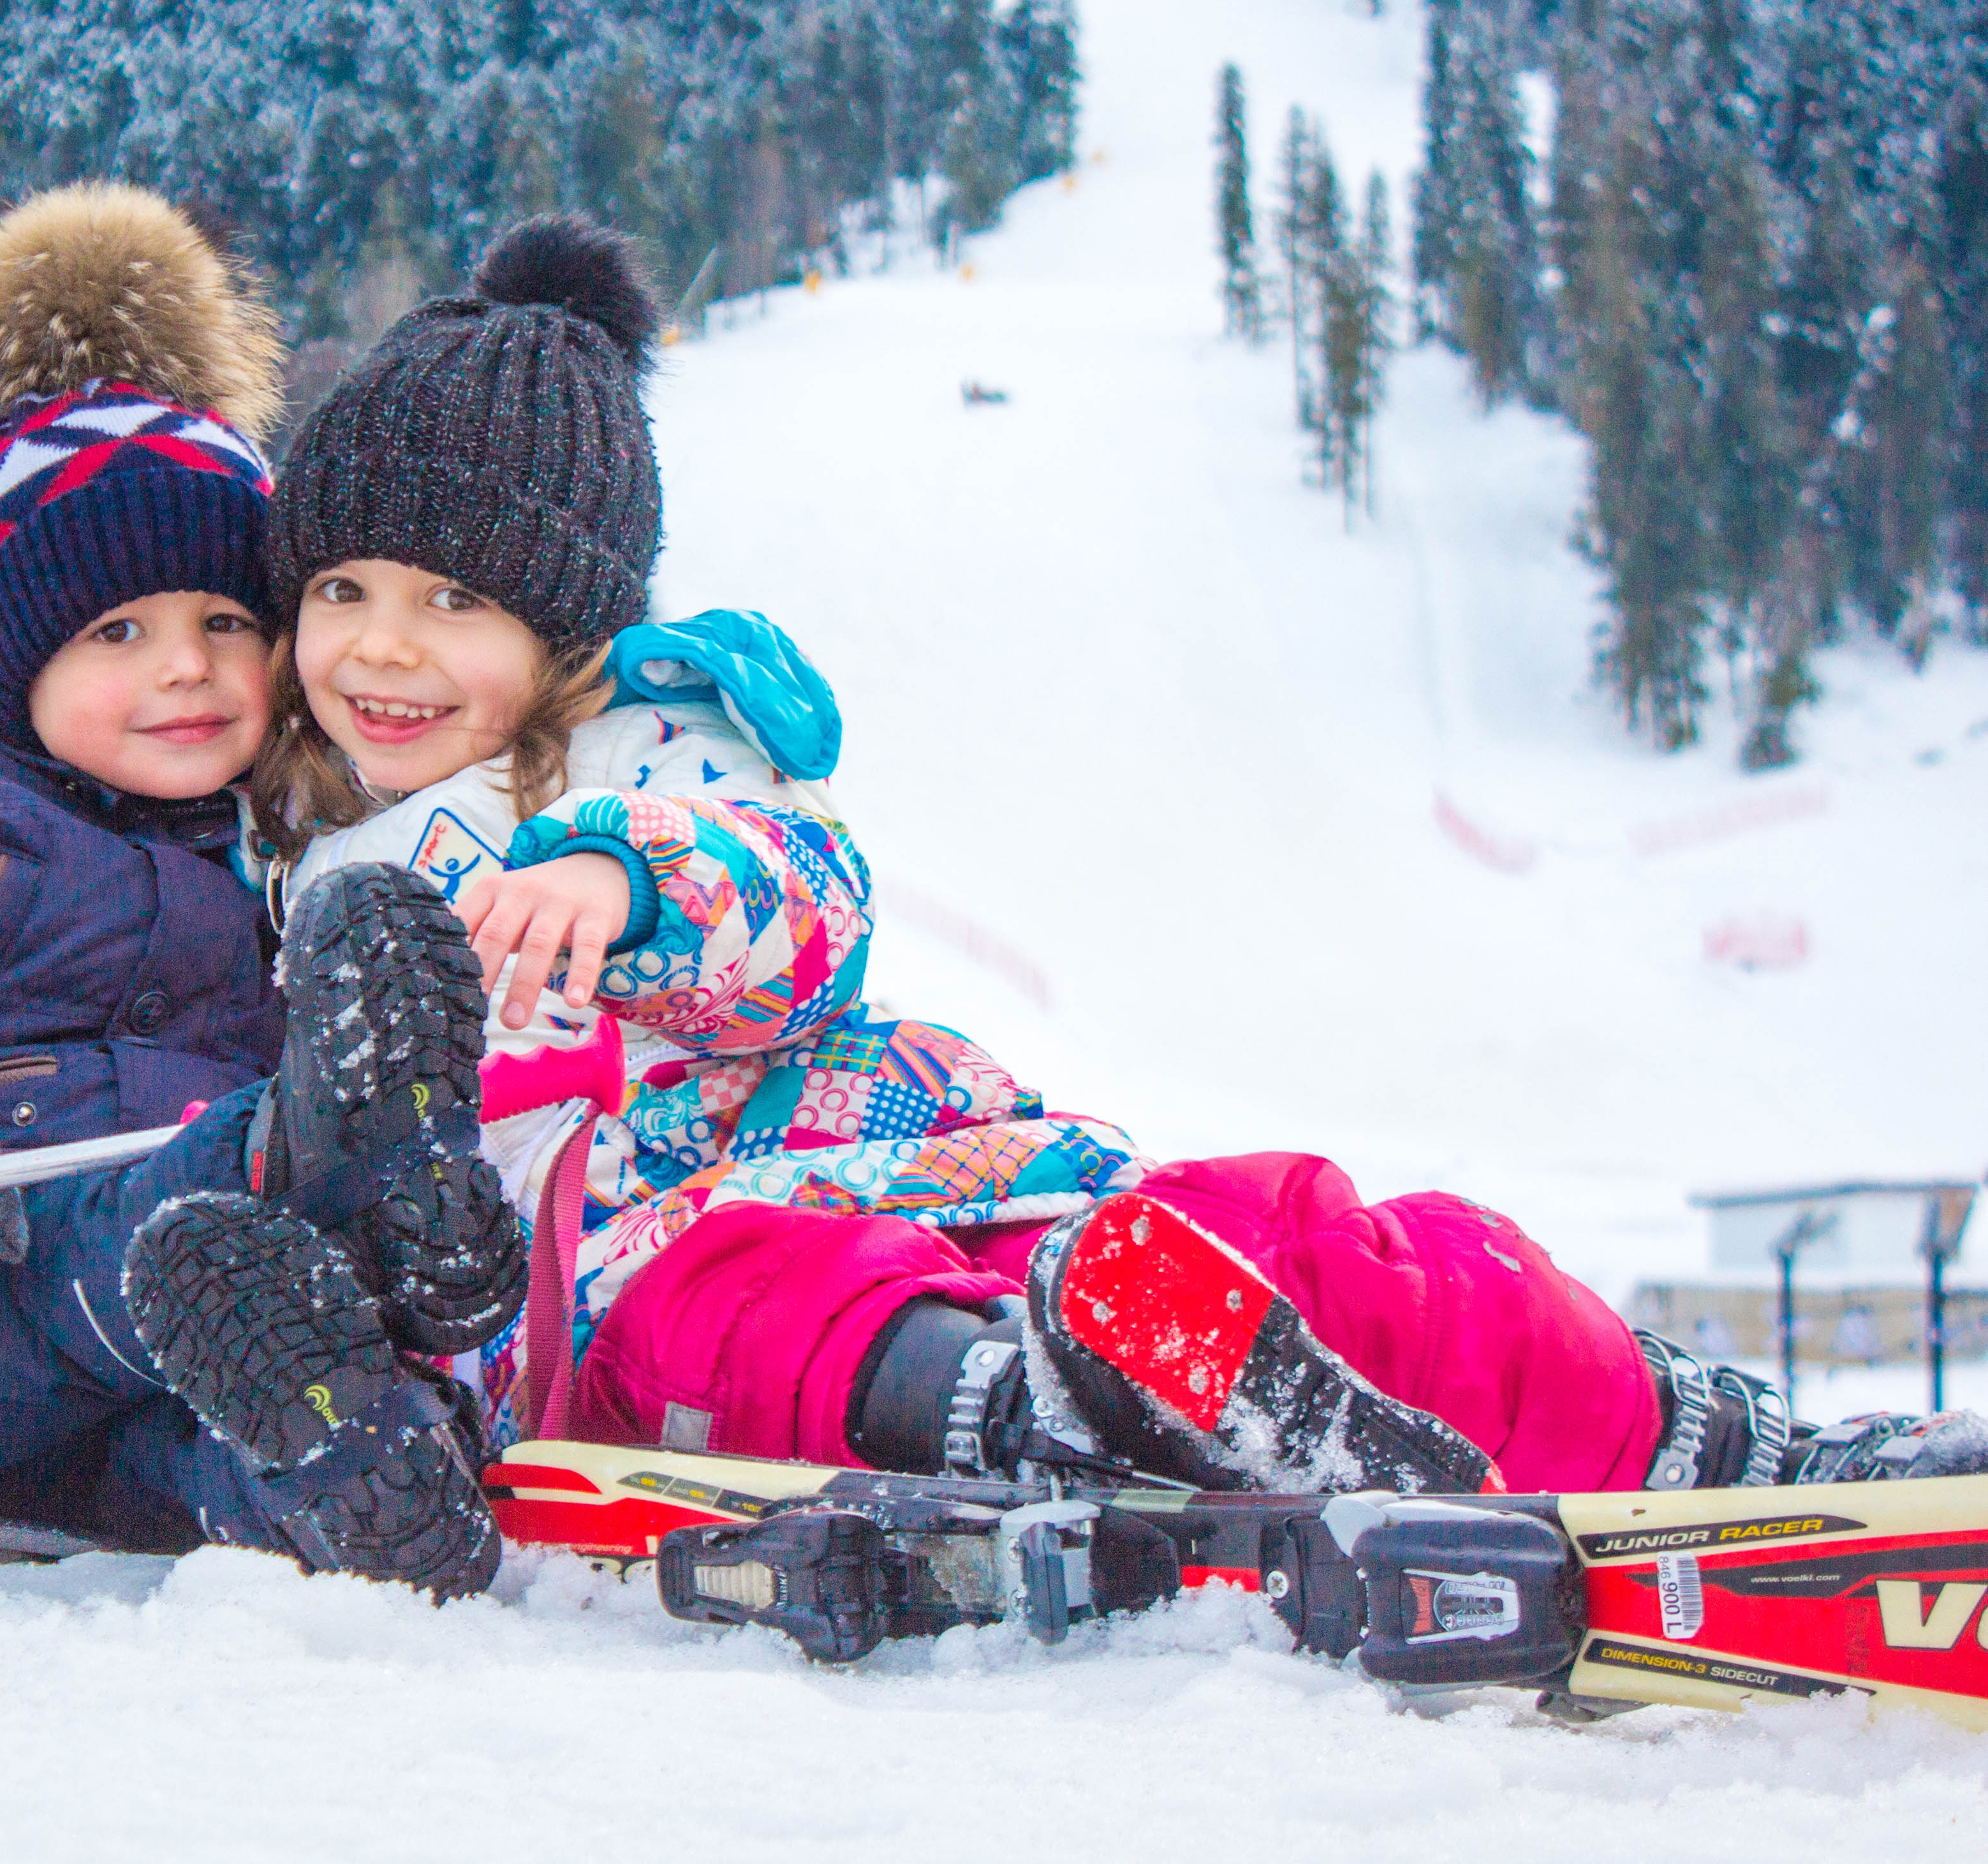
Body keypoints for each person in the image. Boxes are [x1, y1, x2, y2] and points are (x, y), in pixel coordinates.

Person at [143, 211, 1986, 1523]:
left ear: (565, 631)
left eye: (454, 601)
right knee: (751, 1302)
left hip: (947, 1163)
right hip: (663, 1279)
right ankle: (1056, 1416)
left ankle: (1711, 1454)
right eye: (340, 591)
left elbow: (805, 904)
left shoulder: (655, 768)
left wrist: (630, 887)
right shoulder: (302, 872)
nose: (380, 650)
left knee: (1294, 1224)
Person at [0, 182, 509, 1590]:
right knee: (207, 1212)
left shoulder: (289, 843)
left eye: (224, 622)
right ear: (20, 664)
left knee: (219, 1435)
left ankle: (353, 1480)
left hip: (149, 1391)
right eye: (120, 630)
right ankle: (326, 1166)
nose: (185, 667)